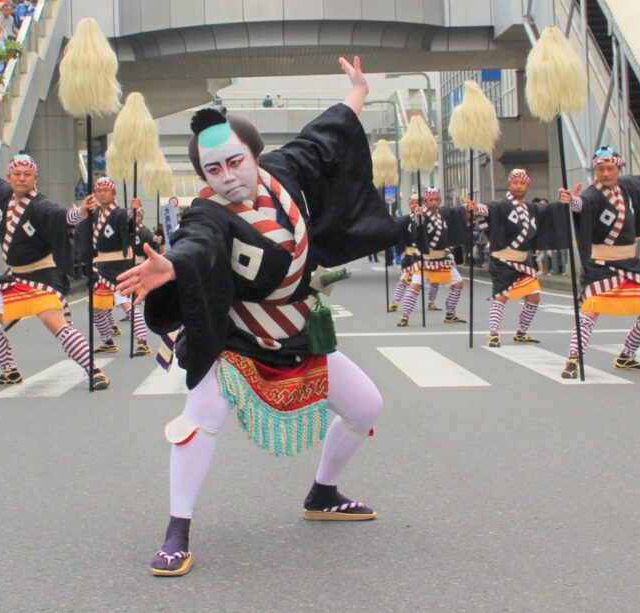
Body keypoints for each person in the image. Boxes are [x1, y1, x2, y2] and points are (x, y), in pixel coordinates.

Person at [116, 56, 401, 577]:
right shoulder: (208, 213)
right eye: (213, 170)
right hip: (238, 344)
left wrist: (357, 93)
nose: (227, 177)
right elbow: (197, 246)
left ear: (254, 155)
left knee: (366, 407)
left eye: (235, 162)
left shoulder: (287, 172)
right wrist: (174, 267)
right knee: (199, 421)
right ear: (203, 176)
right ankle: (177, 531)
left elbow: (325, 136)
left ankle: (323, 492)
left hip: (298, 336)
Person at [0, 141, 109, 389]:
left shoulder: (41, 206)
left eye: (27, 175)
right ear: (9, 176)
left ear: (35, 178)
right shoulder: (1, 191)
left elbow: (66, 217)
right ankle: (10, 370)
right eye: (17, 174)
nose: (21, 179)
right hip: (14, 278)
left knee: (55, 322)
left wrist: (83, 211)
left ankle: (93, 369)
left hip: (42, 277)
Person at [557, 137, 640, 377]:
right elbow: (582, 206)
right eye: (601, 169)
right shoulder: (593, 195)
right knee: (590, 311)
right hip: (602, 265)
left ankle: (626, 355)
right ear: (595, 171)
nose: (606, 173)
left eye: (610, 168)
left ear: (619, 168)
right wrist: (572, 201)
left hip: (630, 264)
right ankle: (573, 359)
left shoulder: (629, 186)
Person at [465, 169, 569, 347]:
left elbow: (549, 210)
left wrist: (564, 202)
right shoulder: (501, 205)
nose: (519, 186)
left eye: (522, 183)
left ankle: (521, 332)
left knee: (534, 297)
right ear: (509, 185)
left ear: (528, 186)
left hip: (523, 260)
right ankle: (493, 334)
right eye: (515, 182)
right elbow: (487, 209)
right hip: (502, 259)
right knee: (501, 296)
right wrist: (476, 208)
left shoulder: (531, 208)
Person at [80, 177, 152, 357]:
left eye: (106, 190)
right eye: (99, 190)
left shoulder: (120, 213)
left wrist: (134, 211)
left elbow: (130, 221)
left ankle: (142, 341)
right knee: (94, 307)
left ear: (113, 193)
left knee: (128, 304)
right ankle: (107, 340)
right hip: (101, 266)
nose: (102, 193)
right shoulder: (95, 214)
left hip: (119, 265)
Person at [396, 186, 468, 327]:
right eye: (430, 200)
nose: (434, 202)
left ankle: (450, 313)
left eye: (436, 199)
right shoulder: (421, 214)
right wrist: (419, 219)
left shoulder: (444, 213)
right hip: (425, 258)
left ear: (440, 200)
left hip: (442, 258)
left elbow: (456, 213)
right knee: (415, 285)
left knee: (458, 283)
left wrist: (466, 206)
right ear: (426, 201)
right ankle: (404, 315)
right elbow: (416, 232)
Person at [389, 194, 420, 311]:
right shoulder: (405, 219)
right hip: (411, 255)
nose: (415, 205)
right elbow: (396, 228)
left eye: (418, 202)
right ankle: (395, 302)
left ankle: (431, 302)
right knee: (404, 279)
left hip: (428, 255)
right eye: (412, 202)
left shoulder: (428, 218)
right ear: (409, 204)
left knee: (434, 281)